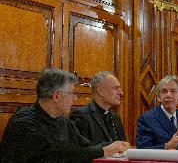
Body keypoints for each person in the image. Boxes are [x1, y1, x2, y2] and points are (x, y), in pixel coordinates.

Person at [0, 69, 130, 163]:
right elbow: (56, 154)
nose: (75, 99)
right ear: (56, 96)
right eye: (72, 93)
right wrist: (103, 151)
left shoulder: (63, 121)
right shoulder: (23, 123)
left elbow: (85, 146)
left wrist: (115, 145)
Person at [136, 75, 178, 149]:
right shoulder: (146, 119)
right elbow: (142, 149)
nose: (168, 95)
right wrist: (167, 146)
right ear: (158, 97)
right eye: (164, 91)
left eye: (173, 91)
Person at [70, 71, 126, 145]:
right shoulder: (81, 116)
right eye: (115, 88)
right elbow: (83, 150)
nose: (121, 93)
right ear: (101, 91)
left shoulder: (116, 117)